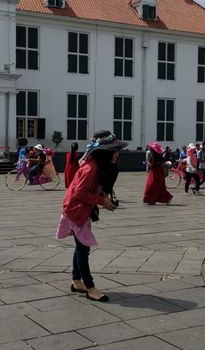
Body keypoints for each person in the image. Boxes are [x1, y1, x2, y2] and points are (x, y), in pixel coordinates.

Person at [56, 130, 125, 303]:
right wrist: (101, 201)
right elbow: (80, 193)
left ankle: (76, 281)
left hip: (79, 210)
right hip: (75, 210)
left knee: (81, 248)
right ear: (105, 152)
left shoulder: (96, 165)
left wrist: (103, 198)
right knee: (83, 249)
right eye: (115, 150)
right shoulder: (91, 167)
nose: (117, 154)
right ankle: (90, 288)